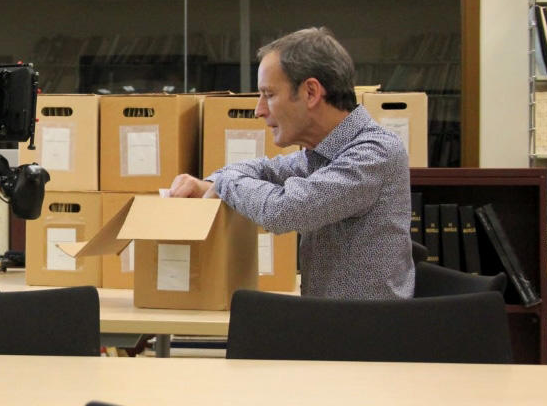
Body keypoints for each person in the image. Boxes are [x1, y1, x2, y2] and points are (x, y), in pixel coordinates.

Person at [168, 27, 414, 299]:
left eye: (269, 95)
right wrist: (213, 182)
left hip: (365, 332)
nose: (258, 109)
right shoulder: (321, 154)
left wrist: (225, 183)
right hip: (331, 323)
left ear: (310, 92)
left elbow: (284, 211)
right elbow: (260, 169)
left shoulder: (375, 152)